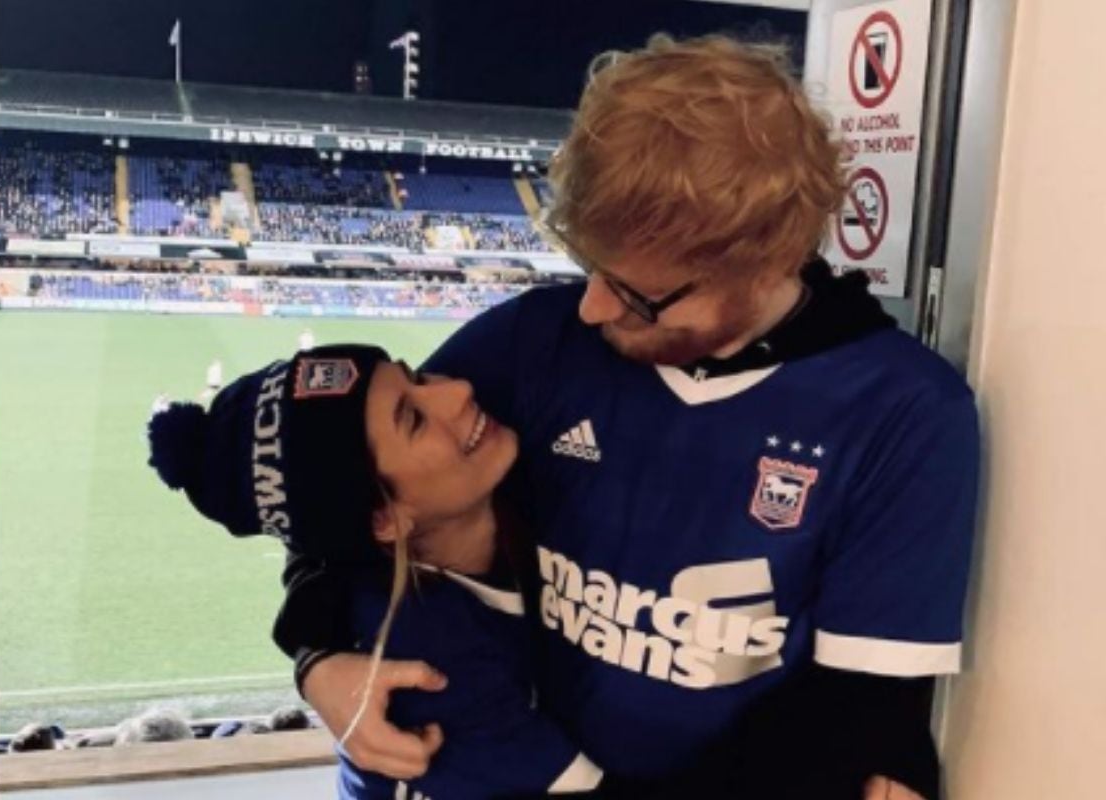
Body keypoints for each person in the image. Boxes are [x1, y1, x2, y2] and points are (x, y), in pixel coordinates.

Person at [275, 35, 979, 800]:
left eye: (639, 295)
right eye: (591, 270)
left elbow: (855, 712)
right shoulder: (535, 339)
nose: (593, 306)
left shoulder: (905, 413)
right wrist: (317, 654)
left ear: (767, 260)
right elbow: (342, 491)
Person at [147, 346, 603, 799]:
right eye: (414, 420)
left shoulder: (417, 545)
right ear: (384, 520)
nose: (459, 390)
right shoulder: (430, 663)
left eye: (418, 379)